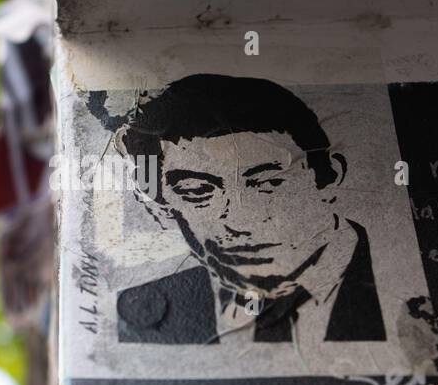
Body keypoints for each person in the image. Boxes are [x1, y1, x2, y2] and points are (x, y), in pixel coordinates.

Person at [116, 74, 385, 345]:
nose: (240, 220)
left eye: (269, 183)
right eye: (198, 191)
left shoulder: (405, 291)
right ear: (161, 208)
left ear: (329, 179)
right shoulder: (144, 317)